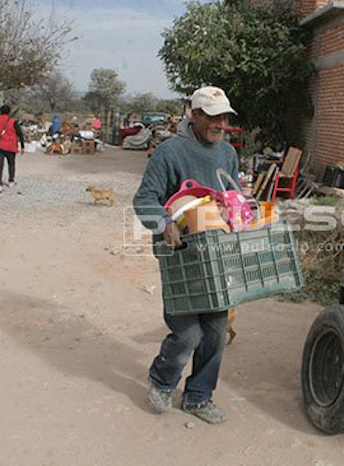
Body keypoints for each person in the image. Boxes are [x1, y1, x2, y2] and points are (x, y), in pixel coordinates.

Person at [133, 86, 238, 425]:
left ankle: (198, 397)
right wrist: (163, 222)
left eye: (224, 117)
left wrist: (238, 214)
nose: (220, 124)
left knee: (216, 330)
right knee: (189, 333)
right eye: (213, 116)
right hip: (179, 255)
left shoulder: (228, 155)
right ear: (195, 115)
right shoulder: (170, 152)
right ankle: (162, 381)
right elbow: (144, 199)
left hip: (215, 254)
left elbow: (233, 197)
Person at [0, 105, 25, 193]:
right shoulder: (13, 121)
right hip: (11, 146)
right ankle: (11, 181)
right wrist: (22, 146)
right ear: (9, 112)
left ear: (0, 111)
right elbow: (20, 134)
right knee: (11, 164)